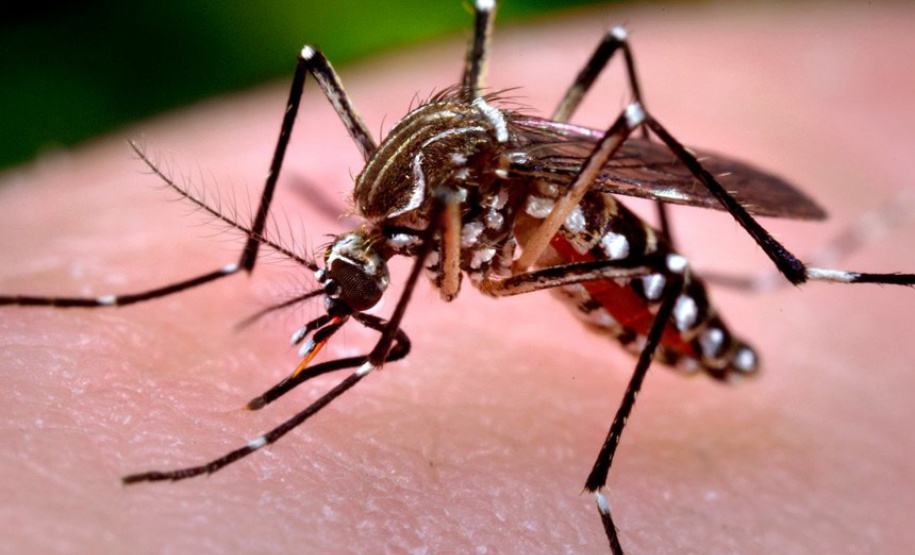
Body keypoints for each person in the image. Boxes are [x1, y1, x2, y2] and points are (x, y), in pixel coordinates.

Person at [1, 3, 913, 552]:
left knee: (625, 118)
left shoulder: (435, 213)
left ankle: (793, 274)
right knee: (313, 62)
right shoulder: (380, 198)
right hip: (510, 212)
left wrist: (356, 364)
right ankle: (224, 263)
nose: (348, 283)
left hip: (605, 255)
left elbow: (452, 218)